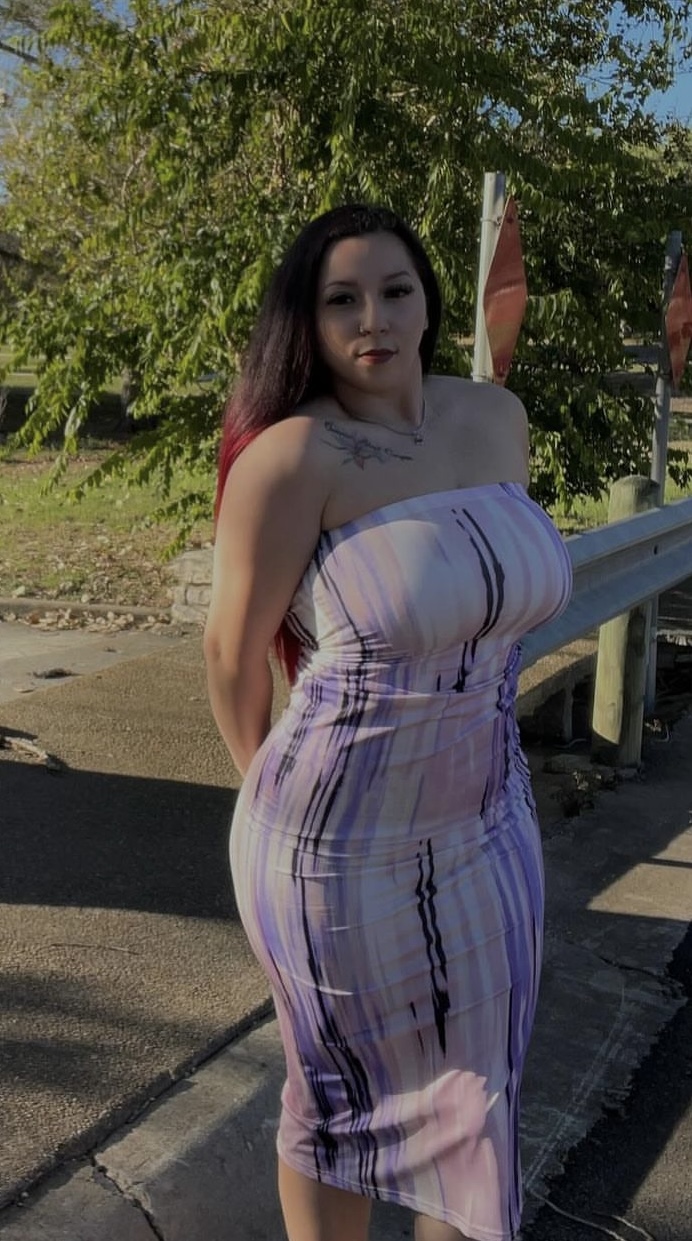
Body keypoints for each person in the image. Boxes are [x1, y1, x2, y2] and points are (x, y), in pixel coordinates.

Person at [204, 203, 572, 1241]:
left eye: (394, 290)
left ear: (426, 301)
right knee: (342, 1107)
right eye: (341, 300)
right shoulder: (292, 460)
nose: (373, 318)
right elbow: (231, 654)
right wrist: (269, 800)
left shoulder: (493, 419)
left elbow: (486, 603)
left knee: (479, 1105)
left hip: (488, 824)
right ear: (308, 322)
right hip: (334, 850)